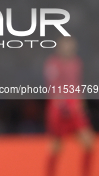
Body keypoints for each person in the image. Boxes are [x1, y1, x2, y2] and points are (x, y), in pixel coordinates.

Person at [44, 37, 94, 176]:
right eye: (66, 45)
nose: (69, 48)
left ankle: (86, 173)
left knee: (89, 142)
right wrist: (61, 103)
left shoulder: (77, 63)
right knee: (56, 146)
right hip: (58, 109)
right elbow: (53, 87)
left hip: (74, 107)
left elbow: (77, 85)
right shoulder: (53, 63)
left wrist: (81, 104)